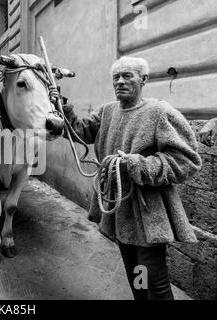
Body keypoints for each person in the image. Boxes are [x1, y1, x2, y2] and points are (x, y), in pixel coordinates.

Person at [62, 57, 202, 300]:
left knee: (155, 283)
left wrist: (138, 164)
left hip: (148, 212)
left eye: (128, 76)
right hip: (119, 210)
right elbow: (82, 131)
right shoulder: (107, 111)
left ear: (144, 79)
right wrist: (64, 108)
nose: (120, 81)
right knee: (136, 275)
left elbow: (187, 160)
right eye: (116, 77)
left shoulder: (159, 112)